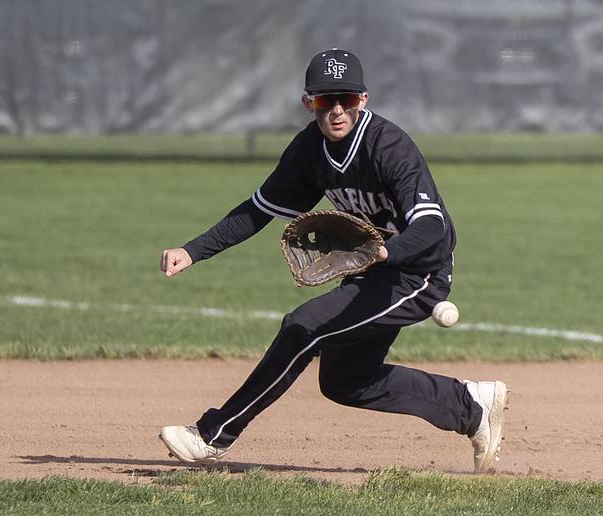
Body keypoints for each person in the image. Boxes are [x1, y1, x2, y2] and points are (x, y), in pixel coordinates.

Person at [158, 48, 507, 472]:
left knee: (303, 328)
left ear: (364, 99)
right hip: (377, 270)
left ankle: (214, 435)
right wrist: (192, 251)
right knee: (345, 380)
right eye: (325, 100)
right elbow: (258, 210)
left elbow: (432, 226)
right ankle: (469, 405)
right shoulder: (309, 151)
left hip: (418, 271)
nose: (336, 110)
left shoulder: (389, 147)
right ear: (309, 103)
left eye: (347, 98)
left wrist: (385, 251)